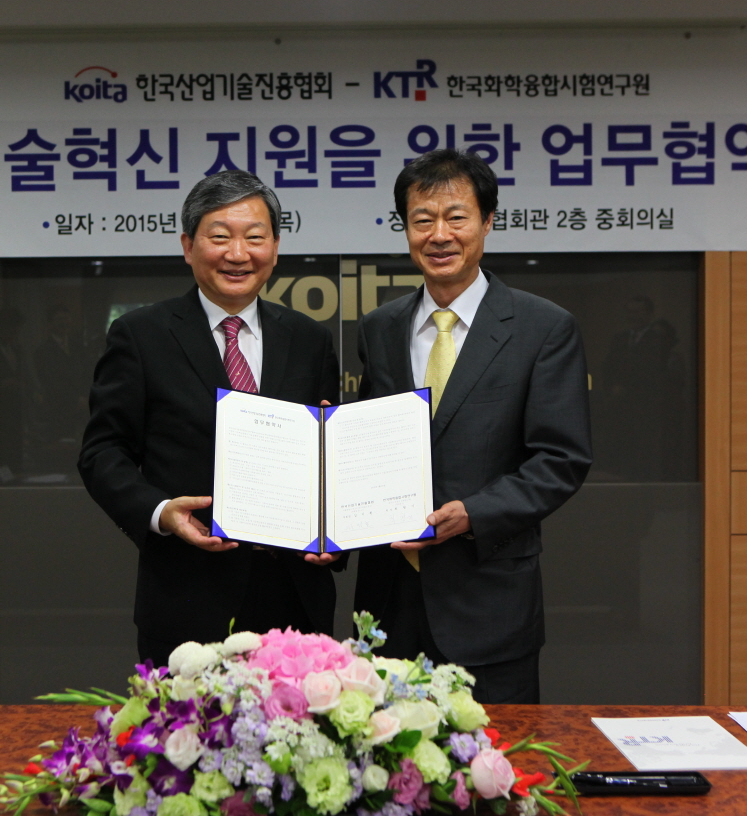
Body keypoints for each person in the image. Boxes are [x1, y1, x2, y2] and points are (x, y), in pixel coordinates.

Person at [352, 149, 592, 703]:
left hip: (489, 602)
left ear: (487, 221)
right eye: (422, 220)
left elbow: (561, 459)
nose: (439, 234)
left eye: (456, 217)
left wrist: (473, 514)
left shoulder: (543, 328)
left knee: (495, 777)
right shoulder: (380, 328)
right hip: (388, 603)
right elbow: (371, 442)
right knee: (387, 777)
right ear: (405, 228)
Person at [78, 170, 341, 666]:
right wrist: (160, 513)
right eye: (219, 237)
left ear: (275, 247)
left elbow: (326, 461)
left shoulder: (310, 339)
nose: (238, 253)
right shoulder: (141, 335)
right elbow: (102, 453)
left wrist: (335, 533)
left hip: (295, 601)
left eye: (254, 237)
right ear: (188, 245)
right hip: (186, 598)